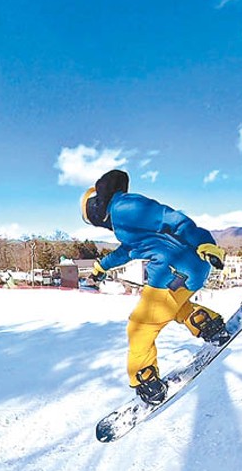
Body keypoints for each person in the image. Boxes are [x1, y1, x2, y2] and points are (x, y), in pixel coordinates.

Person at [81, 169, 229, 406]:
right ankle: (207, 324)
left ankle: (146, 381)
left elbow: (170, 217)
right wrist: (101, 268)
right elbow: (127, 251)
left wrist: (204, 242)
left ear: (95, 207)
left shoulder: (123, 207)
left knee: (140, 326)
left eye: (90, 219)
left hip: (172, 269)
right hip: (189, 269)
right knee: (173, 307)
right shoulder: (125, 221)